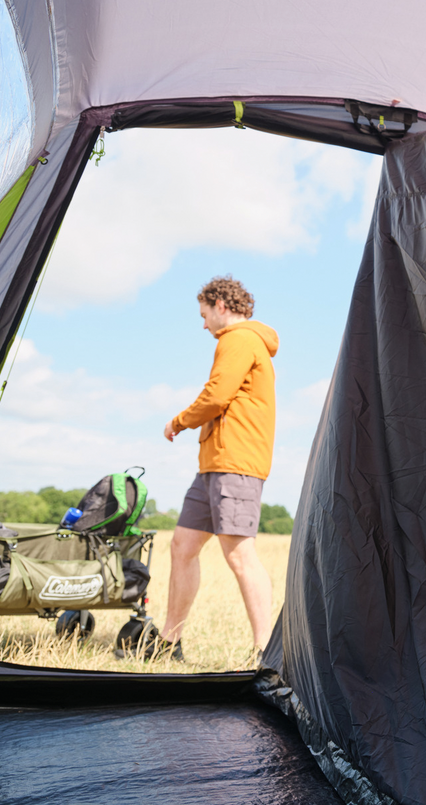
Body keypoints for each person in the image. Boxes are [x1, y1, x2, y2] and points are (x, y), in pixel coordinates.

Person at [159, 275, 282, 660]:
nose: (203, 323)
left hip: (236, 463)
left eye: (204, 314)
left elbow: (217, 395)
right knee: (182, 546)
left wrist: (178, 421)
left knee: (240, 555)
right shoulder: (238, 341)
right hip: (213, 464)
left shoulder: (240, 338)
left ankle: (267, 653)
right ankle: (168, 642)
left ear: (222, 306)